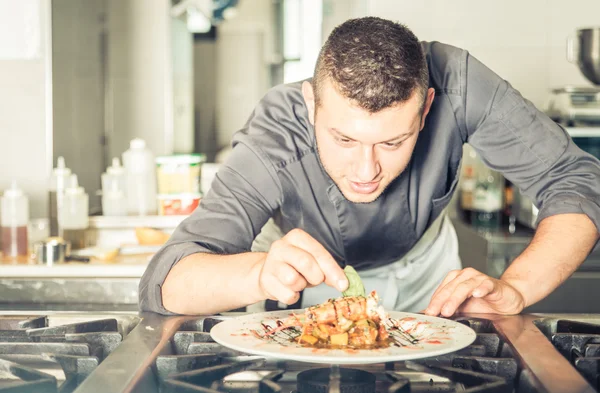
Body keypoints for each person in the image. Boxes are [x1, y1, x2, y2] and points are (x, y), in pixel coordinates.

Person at [139, 17, 600, 317]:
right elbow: (165, 281)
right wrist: (258, 274)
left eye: (392, 142)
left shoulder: (458, 80)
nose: (366, 170)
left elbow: (577, 178)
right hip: (301, 283)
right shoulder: (274, 132)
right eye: (343, 139)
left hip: (426, 275)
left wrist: (516, 288)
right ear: (310, 105)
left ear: (426, 109)